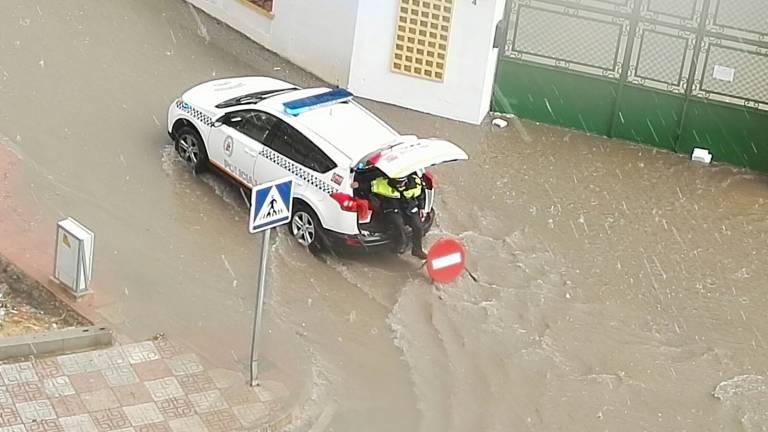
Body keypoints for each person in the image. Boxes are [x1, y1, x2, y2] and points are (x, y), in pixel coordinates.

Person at [370, 172, 428, 259]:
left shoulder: (415, 183)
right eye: (397, 182)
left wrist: (421, 208)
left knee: (418, 226)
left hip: (408, 208)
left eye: (401, 182)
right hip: (392, 208)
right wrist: (358, 184)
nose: (399, 185)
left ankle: (417, 250)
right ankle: (399, 246)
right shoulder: (382, 183)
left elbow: (420, 195)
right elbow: (368, 187)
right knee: (399, 225)